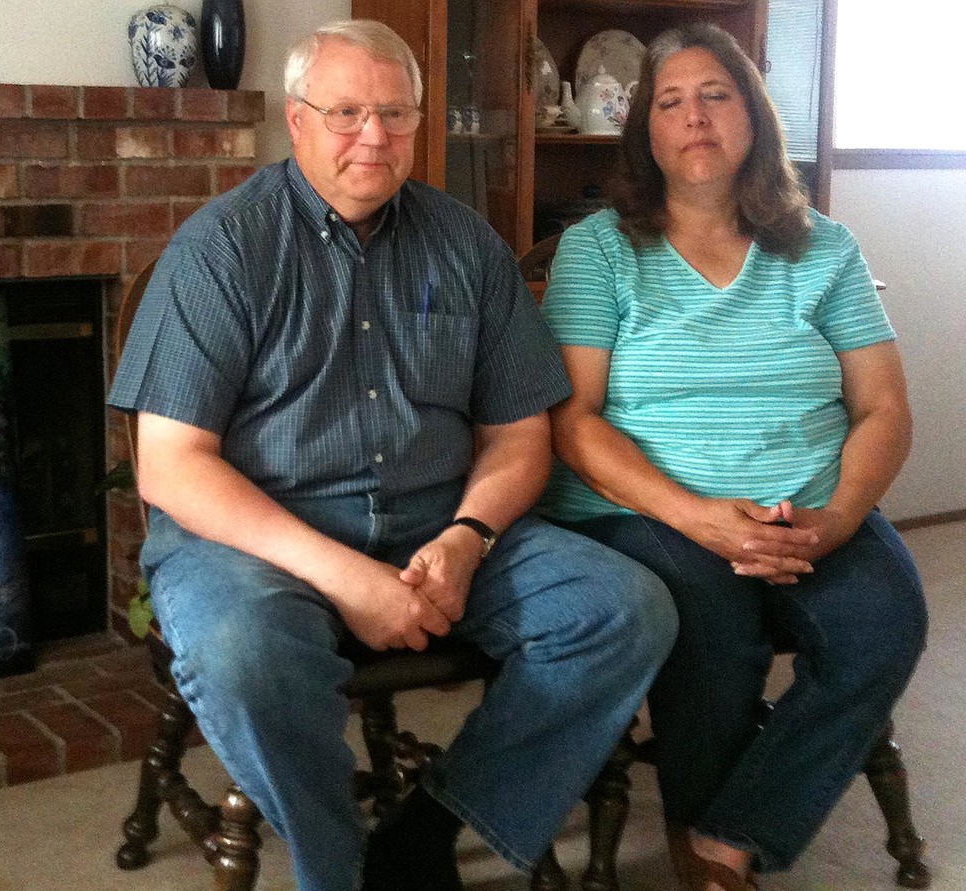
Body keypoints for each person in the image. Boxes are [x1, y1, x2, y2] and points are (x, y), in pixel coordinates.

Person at [108, 19, 677, 891]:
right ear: (295, 122)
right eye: (344, 112)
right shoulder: (220, 250)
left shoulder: (469, 245)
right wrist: (347, 577)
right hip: (260, 541)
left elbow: (520, 434)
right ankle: (338, 869)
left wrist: (469, 535)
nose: (372, 135)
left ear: (417, 120)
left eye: (395, 113)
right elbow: (172, 464)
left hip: (434, 522)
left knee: (624, 609)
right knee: (244, 654)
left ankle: (434, 828)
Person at [538, 23, 928, 891]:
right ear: (646, 131)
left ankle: (727, 837)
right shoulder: (599, 250)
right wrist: (700, 518)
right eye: (669, 102)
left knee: (885, 620)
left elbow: (884, 408)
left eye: (716, 94)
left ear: (753, 115)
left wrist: (835, 522)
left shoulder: (825, 247)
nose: (695, 117)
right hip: (649, 506)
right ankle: (700, 847)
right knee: (712, 622)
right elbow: (576, 423)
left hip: (809, 504)